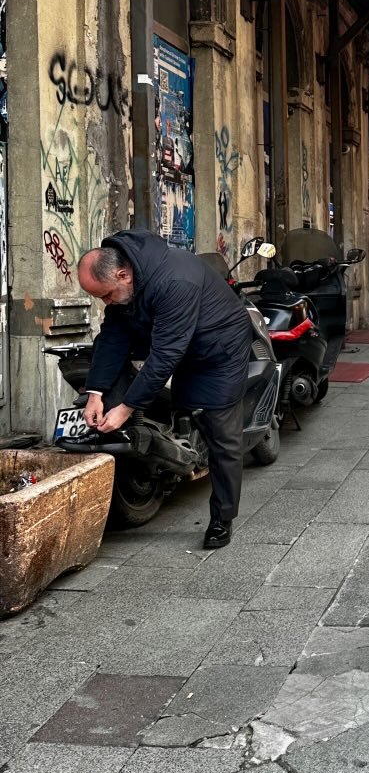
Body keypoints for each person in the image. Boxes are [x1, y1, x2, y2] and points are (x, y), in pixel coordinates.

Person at [77, 230, 254, 549]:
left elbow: (166, 356)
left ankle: (222, 518)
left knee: (223, 436)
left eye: (106, 295)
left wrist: (126, 408)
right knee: (113, 370)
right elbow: (113, 337)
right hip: (169, 335)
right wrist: (96, 393)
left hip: (218, 349)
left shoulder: (175, 281)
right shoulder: (126, 282)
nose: (105, 303)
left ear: (123, 275)